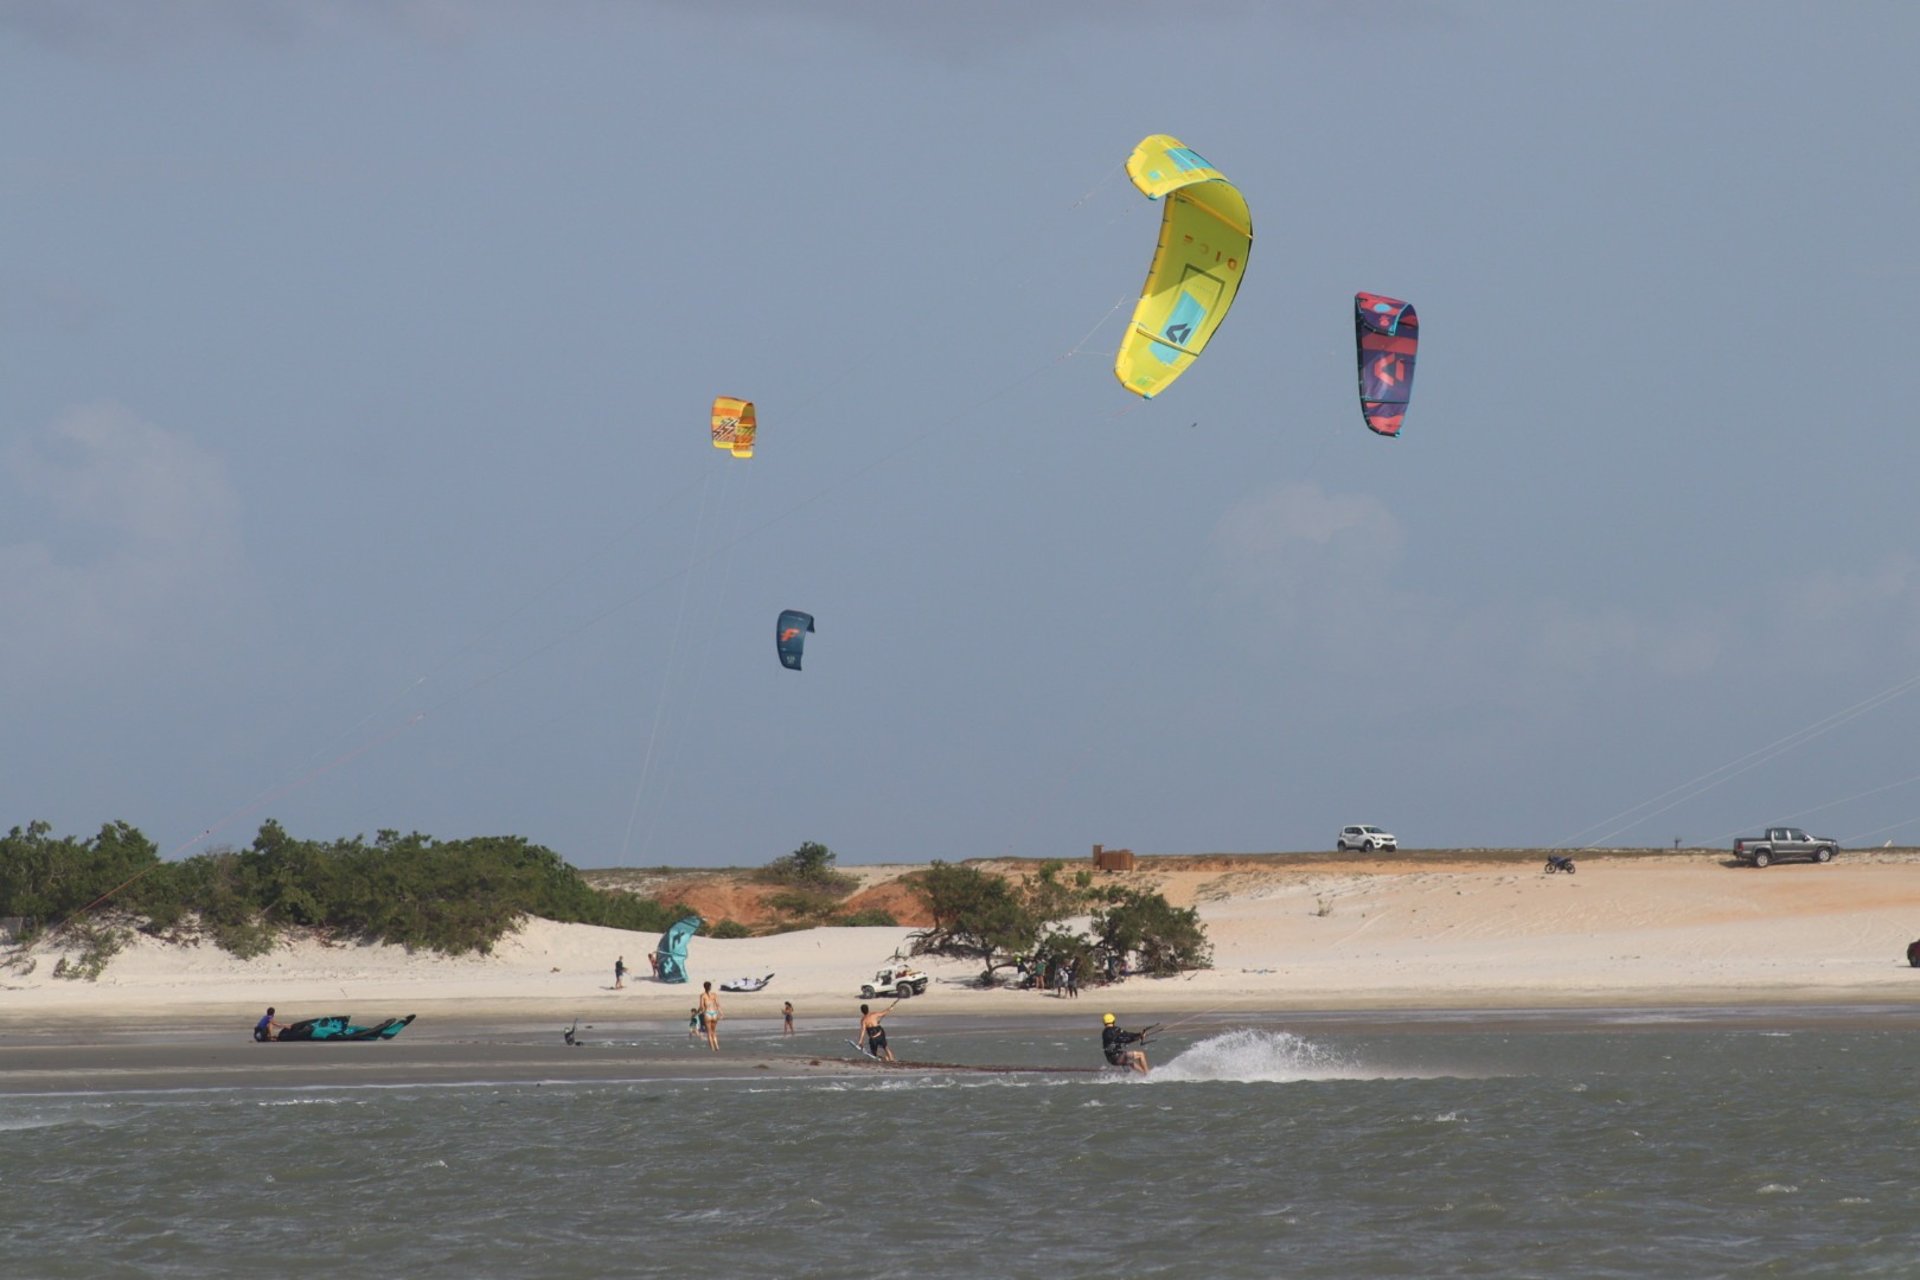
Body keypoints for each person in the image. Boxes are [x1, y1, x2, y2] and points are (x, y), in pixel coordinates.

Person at [697, 980, 722, 1051]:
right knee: (714, 1031)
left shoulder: (702, 995)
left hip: (707, 1013)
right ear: (710, 987)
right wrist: (721, 1012)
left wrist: (697, 1012)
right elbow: (717, 1004)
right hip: (714, 1013)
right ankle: (717, 1046)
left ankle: (712, 1048)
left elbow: (701, 1006)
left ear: (704, 987)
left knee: (709, 1032)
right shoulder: (714, 995)